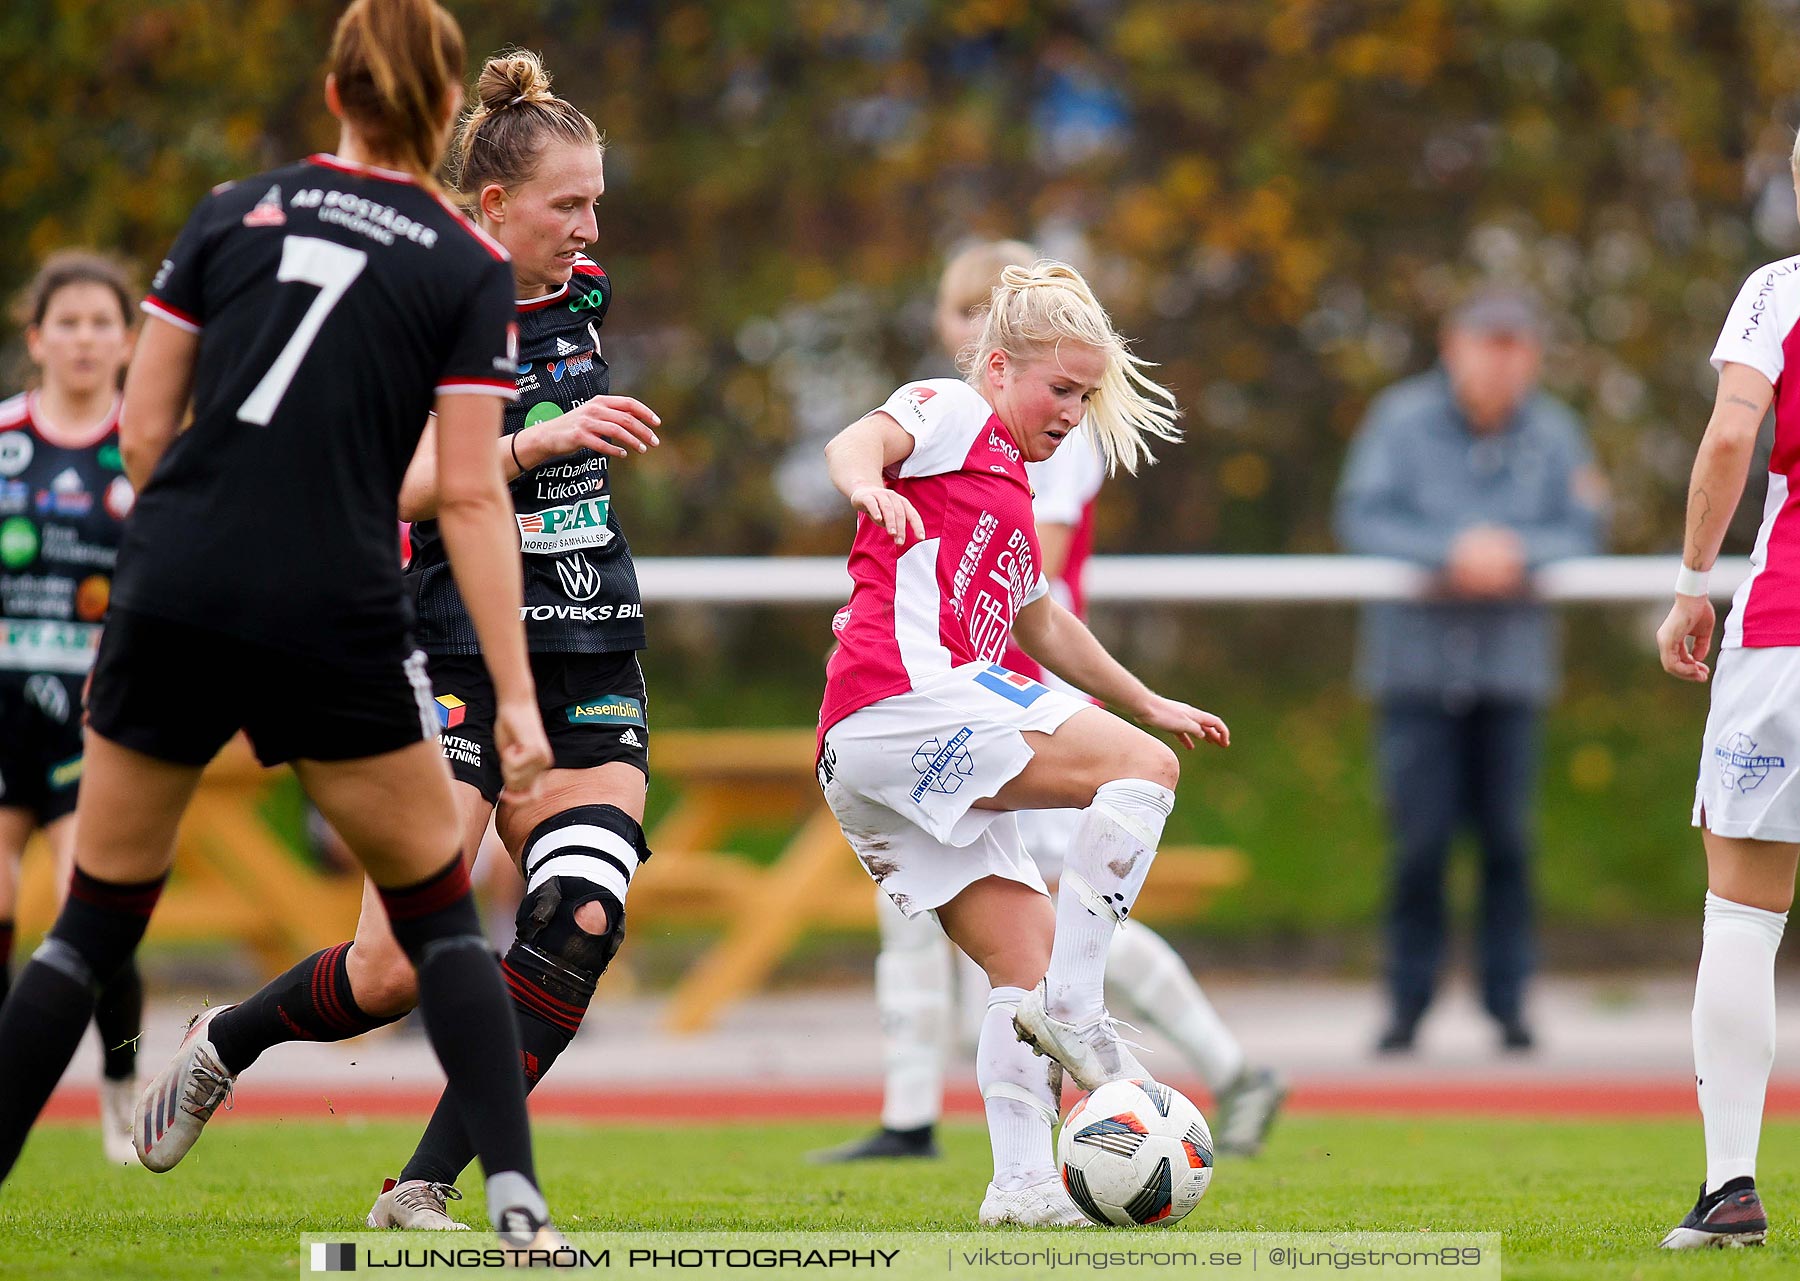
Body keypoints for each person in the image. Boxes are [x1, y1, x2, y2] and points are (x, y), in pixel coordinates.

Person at [0, 0, 566, 1248]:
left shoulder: (227, 210)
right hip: (333, 608)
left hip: (175, 588)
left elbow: (144, 435)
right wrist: (517, 704)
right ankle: (515, 1203)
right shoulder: (461, 265)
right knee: (437, 919)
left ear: (332, 94)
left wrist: (193, 555)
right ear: (443, 110)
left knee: (90, 923)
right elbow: (470, 491)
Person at [131, 49, 663, 1233]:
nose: (588, 226)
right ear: (492, 208)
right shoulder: (419, 304)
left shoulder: (582, 295)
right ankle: (229, 1039)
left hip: (590, 651)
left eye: (596, 202)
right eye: (566, 204)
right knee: (390, 973)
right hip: (452, 654)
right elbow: (385, 484)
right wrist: (531, 443)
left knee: (579, 917)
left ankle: (422, 1189)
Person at [812, 242, 1283, 1168]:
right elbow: (854, 440)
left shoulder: (1012, 491)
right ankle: (1079, 1005)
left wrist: (1148, 698)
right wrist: (864, 483)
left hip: (871, 753)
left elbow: (1042, 623)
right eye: (1060, 390)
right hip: (904, 699)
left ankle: (1022, 1186)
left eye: (1085, 398)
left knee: (1016, 969)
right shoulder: (950, 409)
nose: (1072, 414)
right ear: (996, 366)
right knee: (1145, 775)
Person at [1333, 287, 1604, 1054]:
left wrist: (1517, 555)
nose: (1502, 359)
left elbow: (1585, 528)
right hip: (1415, 671)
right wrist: (1450, 552)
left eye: (1517, 343)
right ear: (1454, 344)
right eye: (1489, 342)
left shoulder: (1556, 432)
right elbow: (1362, 514)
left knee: (1509, 844)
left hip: (1511, 672)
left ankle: (1510, 1004)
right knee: (1417, 844)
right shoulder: (1399, 421)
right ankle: (1406, 1005)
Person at [1649, 137, 1800, 1250]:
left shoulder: (1779, 293)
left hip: (1786, 632)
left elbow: (1732, 433)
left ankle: (1732, 1184)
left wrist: (1692, 584)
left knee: (1743, 915)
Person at [0, 251, 143, 1165]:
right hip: (4, 701)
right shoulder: (4, 440)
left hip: (96, 717)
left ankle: (122, 1086)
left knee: (93, 905)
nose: (86, 338)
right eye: (70, 321)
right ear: (36, 337)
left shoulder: (145, 448)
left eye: (103, 323)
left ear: (129, 342)